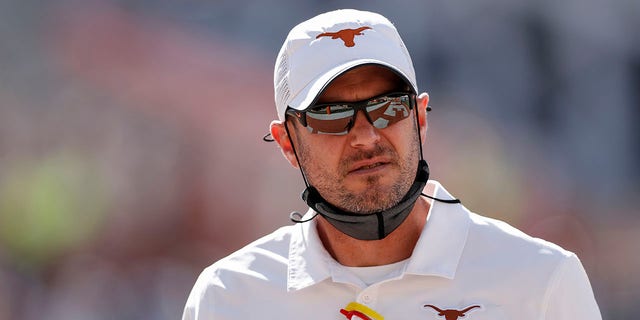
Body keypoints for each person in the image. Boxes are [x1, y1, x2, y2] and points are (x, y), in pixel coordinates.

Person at [182, 9, 601, 319]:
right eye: (332, 115)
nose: (366, 136)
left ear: (419, 117)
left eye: (387, 108)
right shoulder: (229, 297)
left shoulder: (542, 282)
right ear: (287, 142)